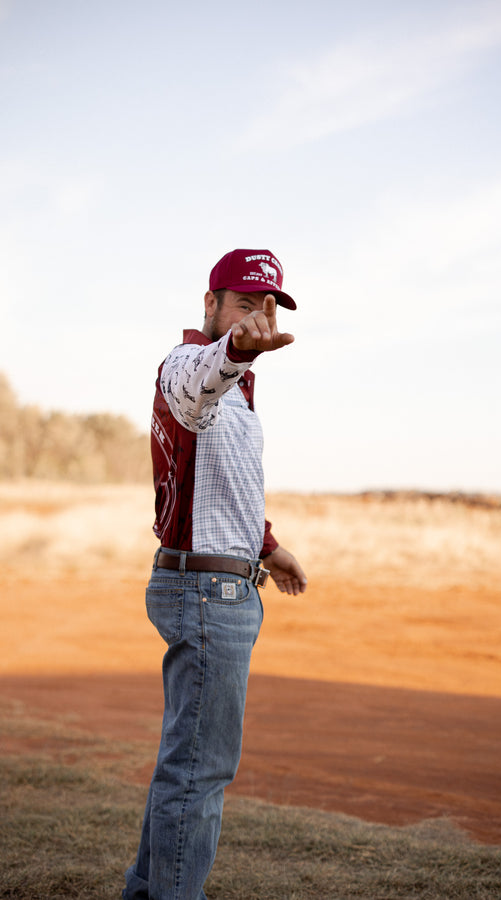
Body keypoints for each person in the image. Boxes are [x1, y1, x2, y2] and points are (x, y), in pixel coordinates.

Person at [123, 249, 307, 900]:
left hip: (223, 585)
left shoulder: (243, 396)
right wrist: (235, 350)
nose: (257, 316)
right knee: (200, 770)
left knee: (186, 764)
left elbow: (224, 491)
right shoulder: (187, 366)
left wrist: (268, 544)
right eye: (244, 303)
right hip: (205, 594)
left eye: (267, 306)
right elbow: (199, 384)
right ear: (210, 304)